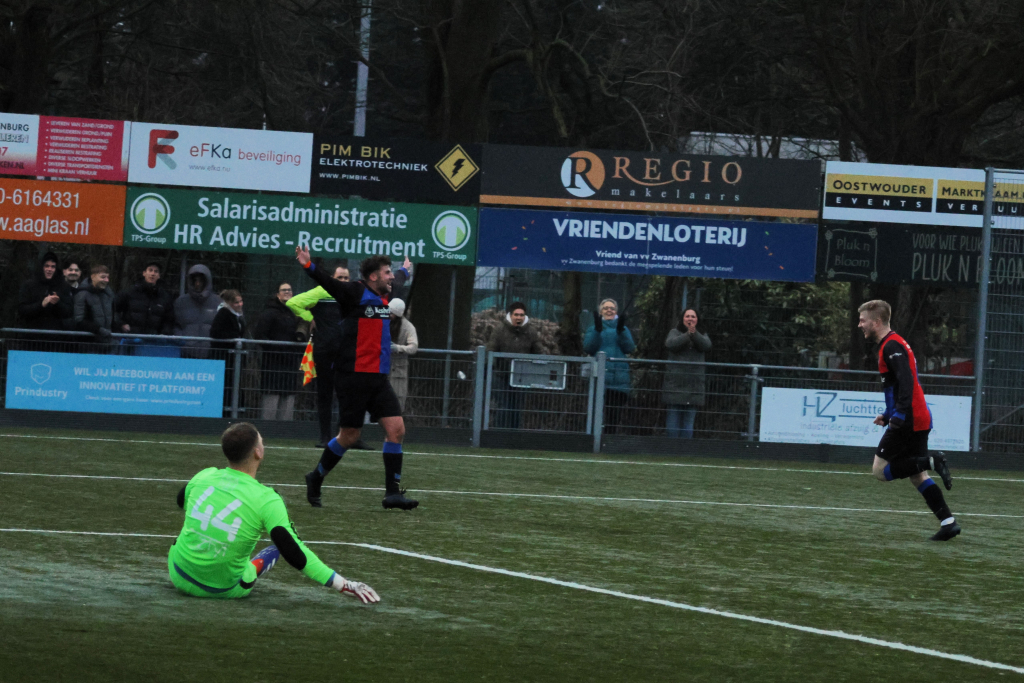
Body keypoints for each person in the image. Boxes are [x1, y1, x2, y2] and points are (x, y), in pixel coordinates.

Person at [168, 422, 380, 603]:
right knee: (278, 547)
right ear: (257, 452)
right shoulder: (267, 499)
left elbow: (181, 501)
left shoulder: (205, 475)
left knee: (184, 536)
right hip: (222, 590)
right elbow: (295, 554)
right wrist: (345, 584)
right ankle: (255, 566)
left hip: (177, 575)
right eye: (262, 442)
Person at [295, 247, 417, 510]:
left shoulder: (386, 294)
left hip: (378, 377)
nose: (391, 277)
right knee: (349, 436)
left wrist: (404, 270)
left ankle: (392, 494)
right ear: (373, 277)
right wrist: (308, 265)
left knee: (396, 430)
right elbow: (328, 282)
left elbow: (398, 279)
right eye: (387, 273)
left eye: (391, 273)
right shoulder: (354, 292)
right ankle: (316, 476)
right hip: (353, 376)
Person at [858, 299, 960, 541]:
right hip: (917, 416)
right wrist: (888, 414)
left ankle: (932, 460)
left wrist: (899, 415)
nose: (859, 325)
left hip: (910, 418)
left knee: (880, 471)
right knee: (917, 474)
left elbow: (906, 381)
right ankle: (948, 523)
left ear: (877, 322)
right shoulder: (893, 343)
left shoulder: (891, 345)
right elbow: (899, 385)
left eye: (862, 320)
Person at [287, 265, 372, 450]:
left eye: (346, 278)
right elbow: (293, 302)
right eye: (340, 277)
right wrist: (309, 317)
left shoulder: (352, 295)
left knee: (351, 395)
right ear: (332, 278)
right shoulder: (321, 291)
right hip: (325, 351)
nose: (343, 281)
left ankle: (349, 436)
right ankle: (325, 437)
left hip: (347, 352)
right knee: (325, 394)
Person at [583, 298, 636, 435]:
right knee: (596, 415)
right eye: (606, 308)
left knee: (614, 417)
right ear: (601, 311)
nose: (609, 310)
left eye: (612, 308)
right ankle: (595, 440)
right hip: (599, 379)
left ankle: (608, 441)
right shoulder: (592, 328)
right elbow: (588, 348)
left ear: (616, 311)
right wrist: (597, 331)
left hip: (619, 382)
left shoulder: (623, 329)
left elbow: (629, 348)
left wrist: (622, 331)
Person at [487, 301, 543, 429]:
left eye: (521, 315)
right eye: (516, 315)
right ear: (510, 315)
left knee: (517, 407)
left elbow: (538, 351)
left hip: (521, 376)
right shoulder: (499, 330)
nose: (519, 317)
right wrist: (490, 367)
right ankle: (499, 433)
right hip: (501, 374)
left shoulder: (531, 332)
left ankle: (514, 433)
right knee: (503, 405)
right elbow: (491, 349)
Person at [254, 283, 304, 421]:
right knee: (272, 399)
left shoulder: (295, 312)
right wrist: (276, 350)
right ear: (277, 294)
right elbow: (260, 335)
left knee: (288, 400)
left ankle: (285, 430)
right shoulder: (269, 313)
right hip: (273, 364)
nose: (287, 292)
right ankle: (268, 429)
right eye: (284, 290)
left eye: (289, 290)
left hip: (290, 364)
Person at [663, 308, 712, 438]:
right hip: (675, 387)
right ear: (682, 319)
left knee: (688, 425)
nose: (690, 319)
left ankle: (685, 449)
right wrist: (687, 335)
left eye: (693, 316)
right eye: (687, 316)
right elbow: (670, 344)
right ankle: (672, 448)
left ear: (697, 319)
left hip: (694, 387)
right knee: (672, 425)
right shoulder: (674, 332)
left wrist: (695, 334)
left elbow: (706, 345)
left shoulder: (702, 334)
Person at [114, 261, 176, 344]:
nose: (153, 274)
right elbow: (114, 309)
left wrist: (164, 334)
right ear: (144, 273)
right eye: (150, 270)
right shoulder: (130, 292)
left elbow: (169, 319)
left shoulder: (165, 297)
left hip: (154, 342)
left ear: (159, 276)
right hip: (131, 340)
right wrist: (121, 324)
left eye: (156, 271)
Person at [17, 251, 73, 336]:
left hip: (56, 336)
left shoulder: (63, 286)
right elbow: (22, 310)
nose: (49, 269)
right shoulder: (28, 285)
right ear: (41, 267)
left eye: (53, 266)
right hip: (32, 334)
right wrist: (41, 304)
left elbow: (69, 312)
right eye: (46, 266)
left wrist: (57, 303)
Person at [211, 290, 246, 415]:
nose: (240, 304)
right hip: (225, 358)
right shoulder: (223, 313)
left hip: (234, 357)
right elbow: (215, 333)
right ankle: (226, 414)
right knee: (226, 387)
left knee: (234, 385)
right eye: (236, 302)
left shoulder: (237, 315)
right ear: (229, 303)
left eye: (241, 301)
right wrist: (234, 339)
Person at [174, 264, 219, 357]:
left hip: (212, 354)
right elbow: (175, 325)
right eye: (195, 281)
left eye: (201, 281)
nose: (198, 284)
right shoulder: (180, 302)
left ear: (207, 281)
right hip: (186, 353)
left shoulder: (218, 302)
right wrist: (181, 342)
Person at [74, 265, 116, 349]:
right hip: (87, 343)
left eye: (108, 277)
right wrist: (99, 330)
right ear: (93, 277)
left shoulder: (108, 294)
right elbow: (79, 320)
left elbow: (113, 316)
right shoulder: (82, 294)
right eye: (103, 277)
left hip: (107, 342)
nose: (106, 280)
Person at [388, 298, 418, 411]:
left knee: (396, 404)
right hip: (382, 368)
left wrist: (398, 348)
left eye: (392, 313)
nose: (389, 314)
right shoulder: (382, 321)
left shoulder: (408, 327)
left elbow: (413, 347)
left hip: (397, 371)